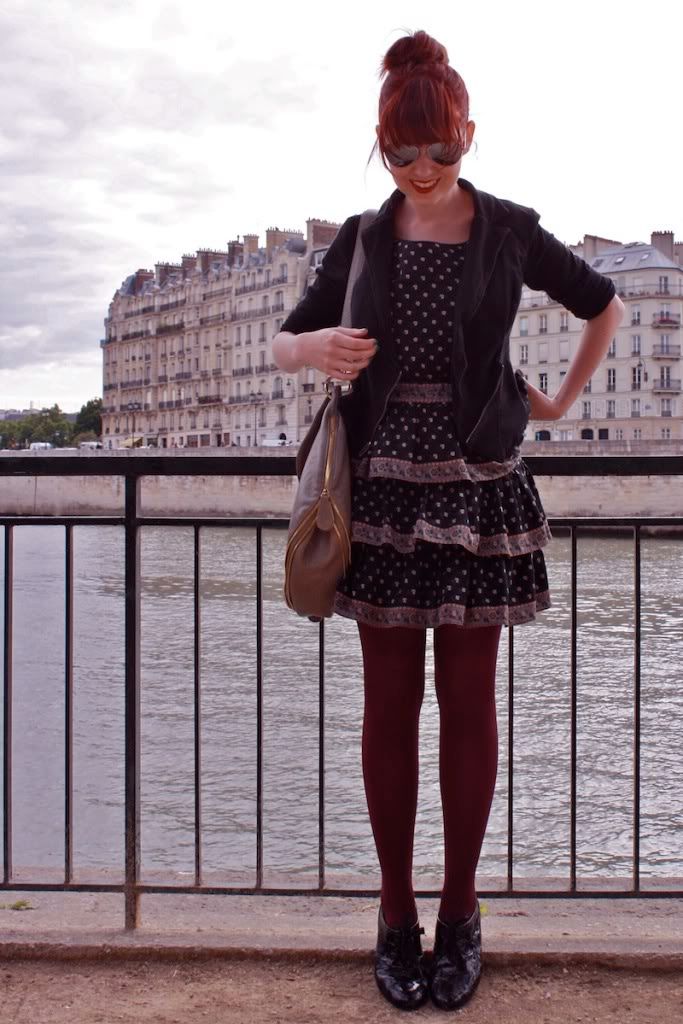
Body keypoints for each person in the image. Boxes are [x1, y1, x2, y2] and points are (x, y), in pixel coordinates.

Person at [273, 29, 623, 1012]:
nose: (423, 170)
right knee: (387, 709)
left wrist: (556, 399)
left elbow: (603, 306)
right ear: (380, 147)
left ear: (468, 136)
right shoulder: (362, 237)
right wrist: (321, 350)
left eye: (441, 151)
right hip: (379, 487)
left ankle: (460, 915)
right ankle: (394, 918)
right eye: (402, 153)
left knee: (467, 710)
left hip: (474, 484)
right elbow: (287, 339)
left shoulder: (508, 229)